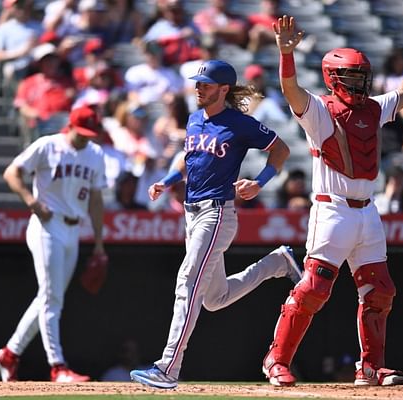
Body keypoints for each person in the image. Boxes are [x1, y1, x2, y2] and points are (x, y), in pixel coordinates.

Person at [261, 14, 403, 387]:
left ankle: (371, 367)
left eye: (361, 76)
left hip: (368, 211)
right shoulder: (320, 110)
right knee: (314, 289)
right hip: (332, 208)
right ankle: (276, 358)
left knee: (380, 291)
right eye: (351, 77)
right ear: (333, 79)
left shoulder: (372, 108)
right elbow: (291, 90)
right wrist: (286, 55)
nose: (359, 83)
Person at [129, 59, 302, 389]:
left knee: (188, 279)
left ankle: (168, 366)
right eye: (198, 83)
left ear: (224, 90)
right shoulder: (195, 119)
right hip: (190, 213)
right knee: (214, 298)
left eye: (205, 84)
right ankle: (277, 262)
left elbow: (280, 149)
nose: (198, 88)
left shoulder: (238, 123)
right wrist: (166, 181)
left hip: (217, 212)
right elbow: (188, 158)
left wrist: (261, 181)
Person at [0, 105, 107, 383]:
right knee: (52, 298)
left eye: (90, 133)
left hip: (73, 228)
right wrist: (31, 202)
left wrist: (100, 243)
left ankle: (9, 353)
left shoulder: (96, 154)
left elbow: (96, 200)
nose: (86, 138)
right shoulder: (48, 145)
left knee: (50, 298)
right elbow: (11, 173)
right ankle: (58, 366)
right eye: (82, 132)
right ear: (71, 126)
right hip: (46, 225)